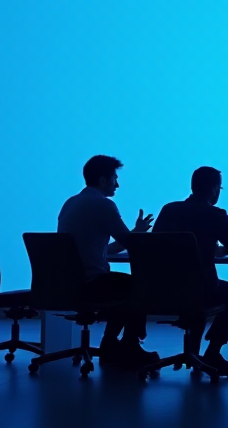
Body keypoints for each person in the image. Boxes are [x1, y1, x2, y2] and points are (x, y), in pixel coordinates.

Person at [57, 155, 158, 367]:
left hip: (69, 283)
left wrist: (134, 233)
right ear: (103, 180)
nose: (117, 185)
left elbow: (103, 249)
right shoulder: (103, 205)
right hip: (91, 283)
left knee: (122, 287)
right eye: (114, 179)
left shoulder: (70, 203)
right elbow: (129, 242)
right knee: (140, 286)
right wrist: (139, 234)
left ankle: (111, 345)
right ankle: (129, 345)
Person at [151, 166, 228, 377]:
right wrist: (220, 249)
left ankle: (194, 353)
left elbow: (154, 247)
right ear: (214, 189)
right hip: (201, 290)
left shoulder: (169, 210)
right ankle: (212, 352)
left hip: (164, 290)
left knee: (197, 290)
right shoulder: (215, 215)